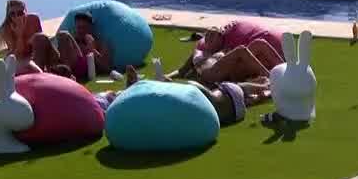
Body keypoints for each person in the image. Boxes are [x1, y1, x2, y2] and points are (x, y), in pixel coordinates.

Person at [102, 66, 266, 128]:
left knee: (249, 98)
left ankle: (266, 89)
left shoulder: (202, 102)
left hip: (230, 110)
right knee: (248, 94)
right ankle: (266, 87)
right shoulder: (211, 98)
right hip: (225, 102)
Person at [179, 22, 283, 86]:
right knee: (241, 50)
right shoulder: (201, 50)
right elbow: (183, 70)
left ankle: (285, 69)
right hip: (213, 73)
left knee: (259, 43)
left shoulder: (225, 46)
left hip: (230, 71)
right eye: (208, 36)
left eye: (212, 35)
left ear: (220, 37)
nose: (209, 38)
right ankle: (271, 77)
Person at [50, 10, 111, 81]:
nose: (81, 31)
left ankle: (67, 75)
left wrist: (92, 50)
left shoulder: (99, 43)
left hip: (84, 69)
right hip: (67, 66)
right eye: (79, 27)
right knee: (47, 38)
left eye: (84, 27)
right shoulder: (70, 42)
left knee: (64, 35)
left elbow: (107, 68)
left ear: (90, 27)